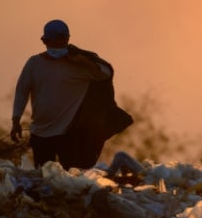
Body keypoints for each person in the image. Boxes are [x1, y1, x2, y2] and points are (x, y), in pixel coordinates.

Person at [11, 19, 124, 169]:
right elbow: (21, 91)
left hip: (69, 132)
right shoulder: (34, 63)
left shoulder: (79, 65)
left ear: (68, 39)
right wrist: (16, 120)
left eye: (61, 41)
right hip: (40, 131)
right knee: (44, 174)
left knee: (72, 173)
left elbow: (105, 73)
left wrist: (84, 61)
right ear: (44, 41)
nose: (58, 45)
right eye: (54, 42)